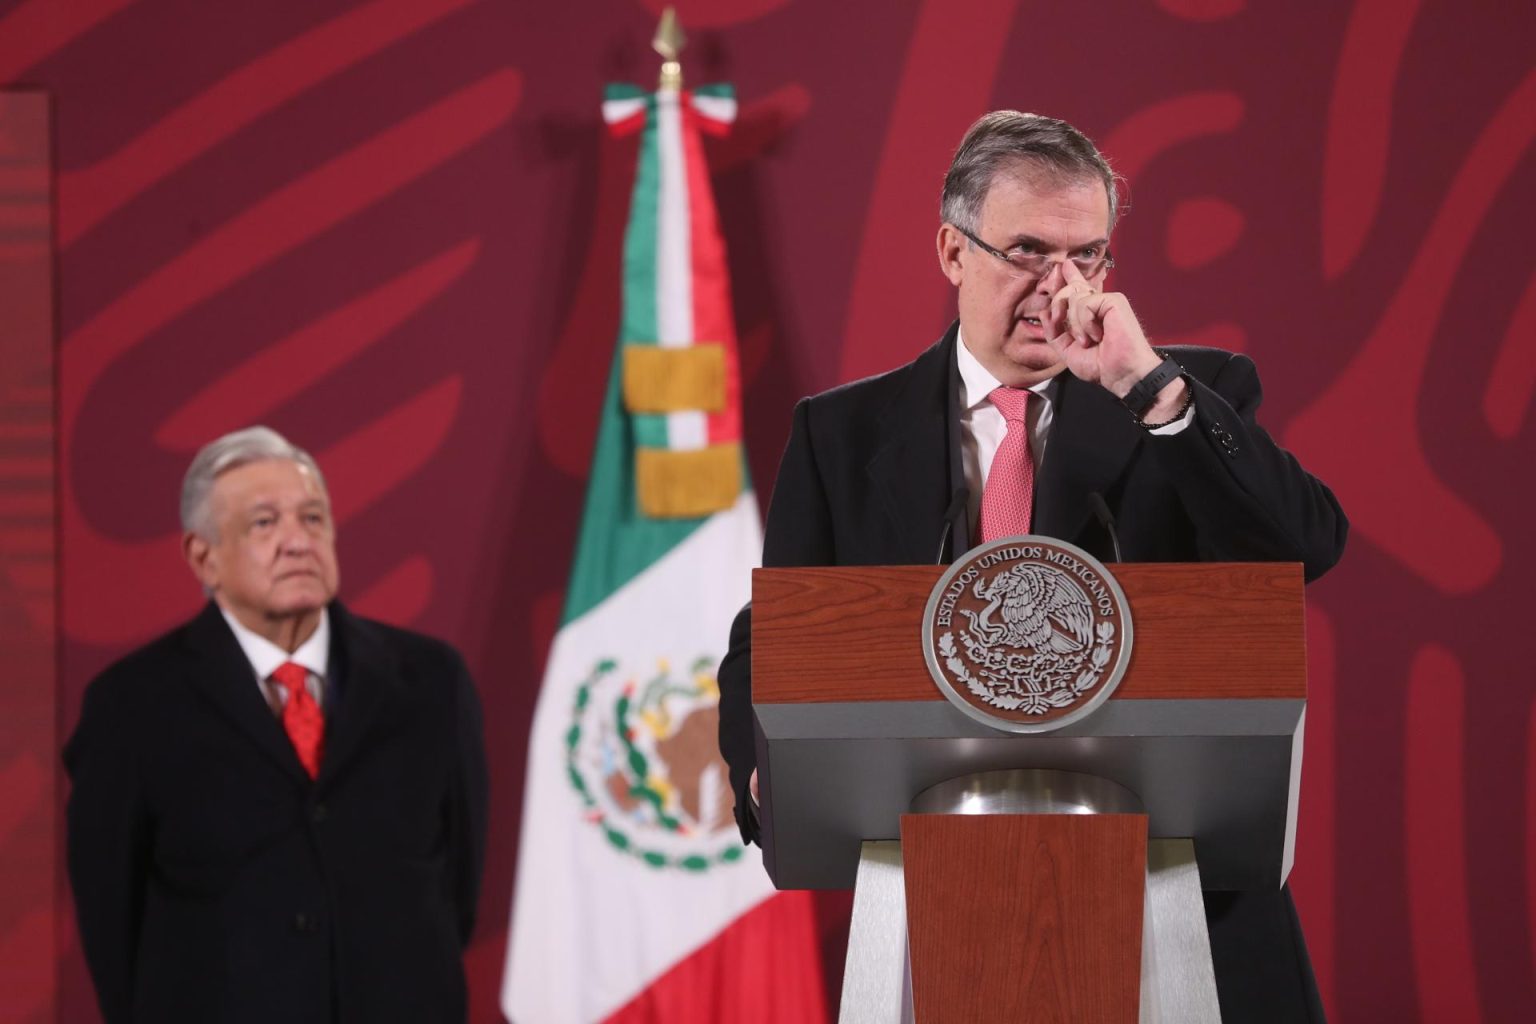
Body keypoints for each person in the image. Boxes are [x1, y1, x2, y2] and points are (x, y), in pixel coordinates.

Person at [718, 111, 1346, 1021]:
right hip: (937, 912)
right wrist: (759, 763)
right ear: (951, 251)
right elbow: (776, 633)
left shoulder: (1181, 397)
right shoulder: (842, 432)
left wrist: (1149, 388)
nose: (1060, 289)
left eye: (1087, 257)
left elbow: (1308, 548)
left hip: (1184, 922)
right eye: (1026, 251)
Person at [65, 426, 488, 1024]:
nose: (298, 542)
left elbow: (457, 892)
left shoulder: (431, 683)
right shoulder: (131, 707)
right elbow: (113, 924)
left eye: (313, 518)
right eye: (264, 523)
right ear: (202, 557)